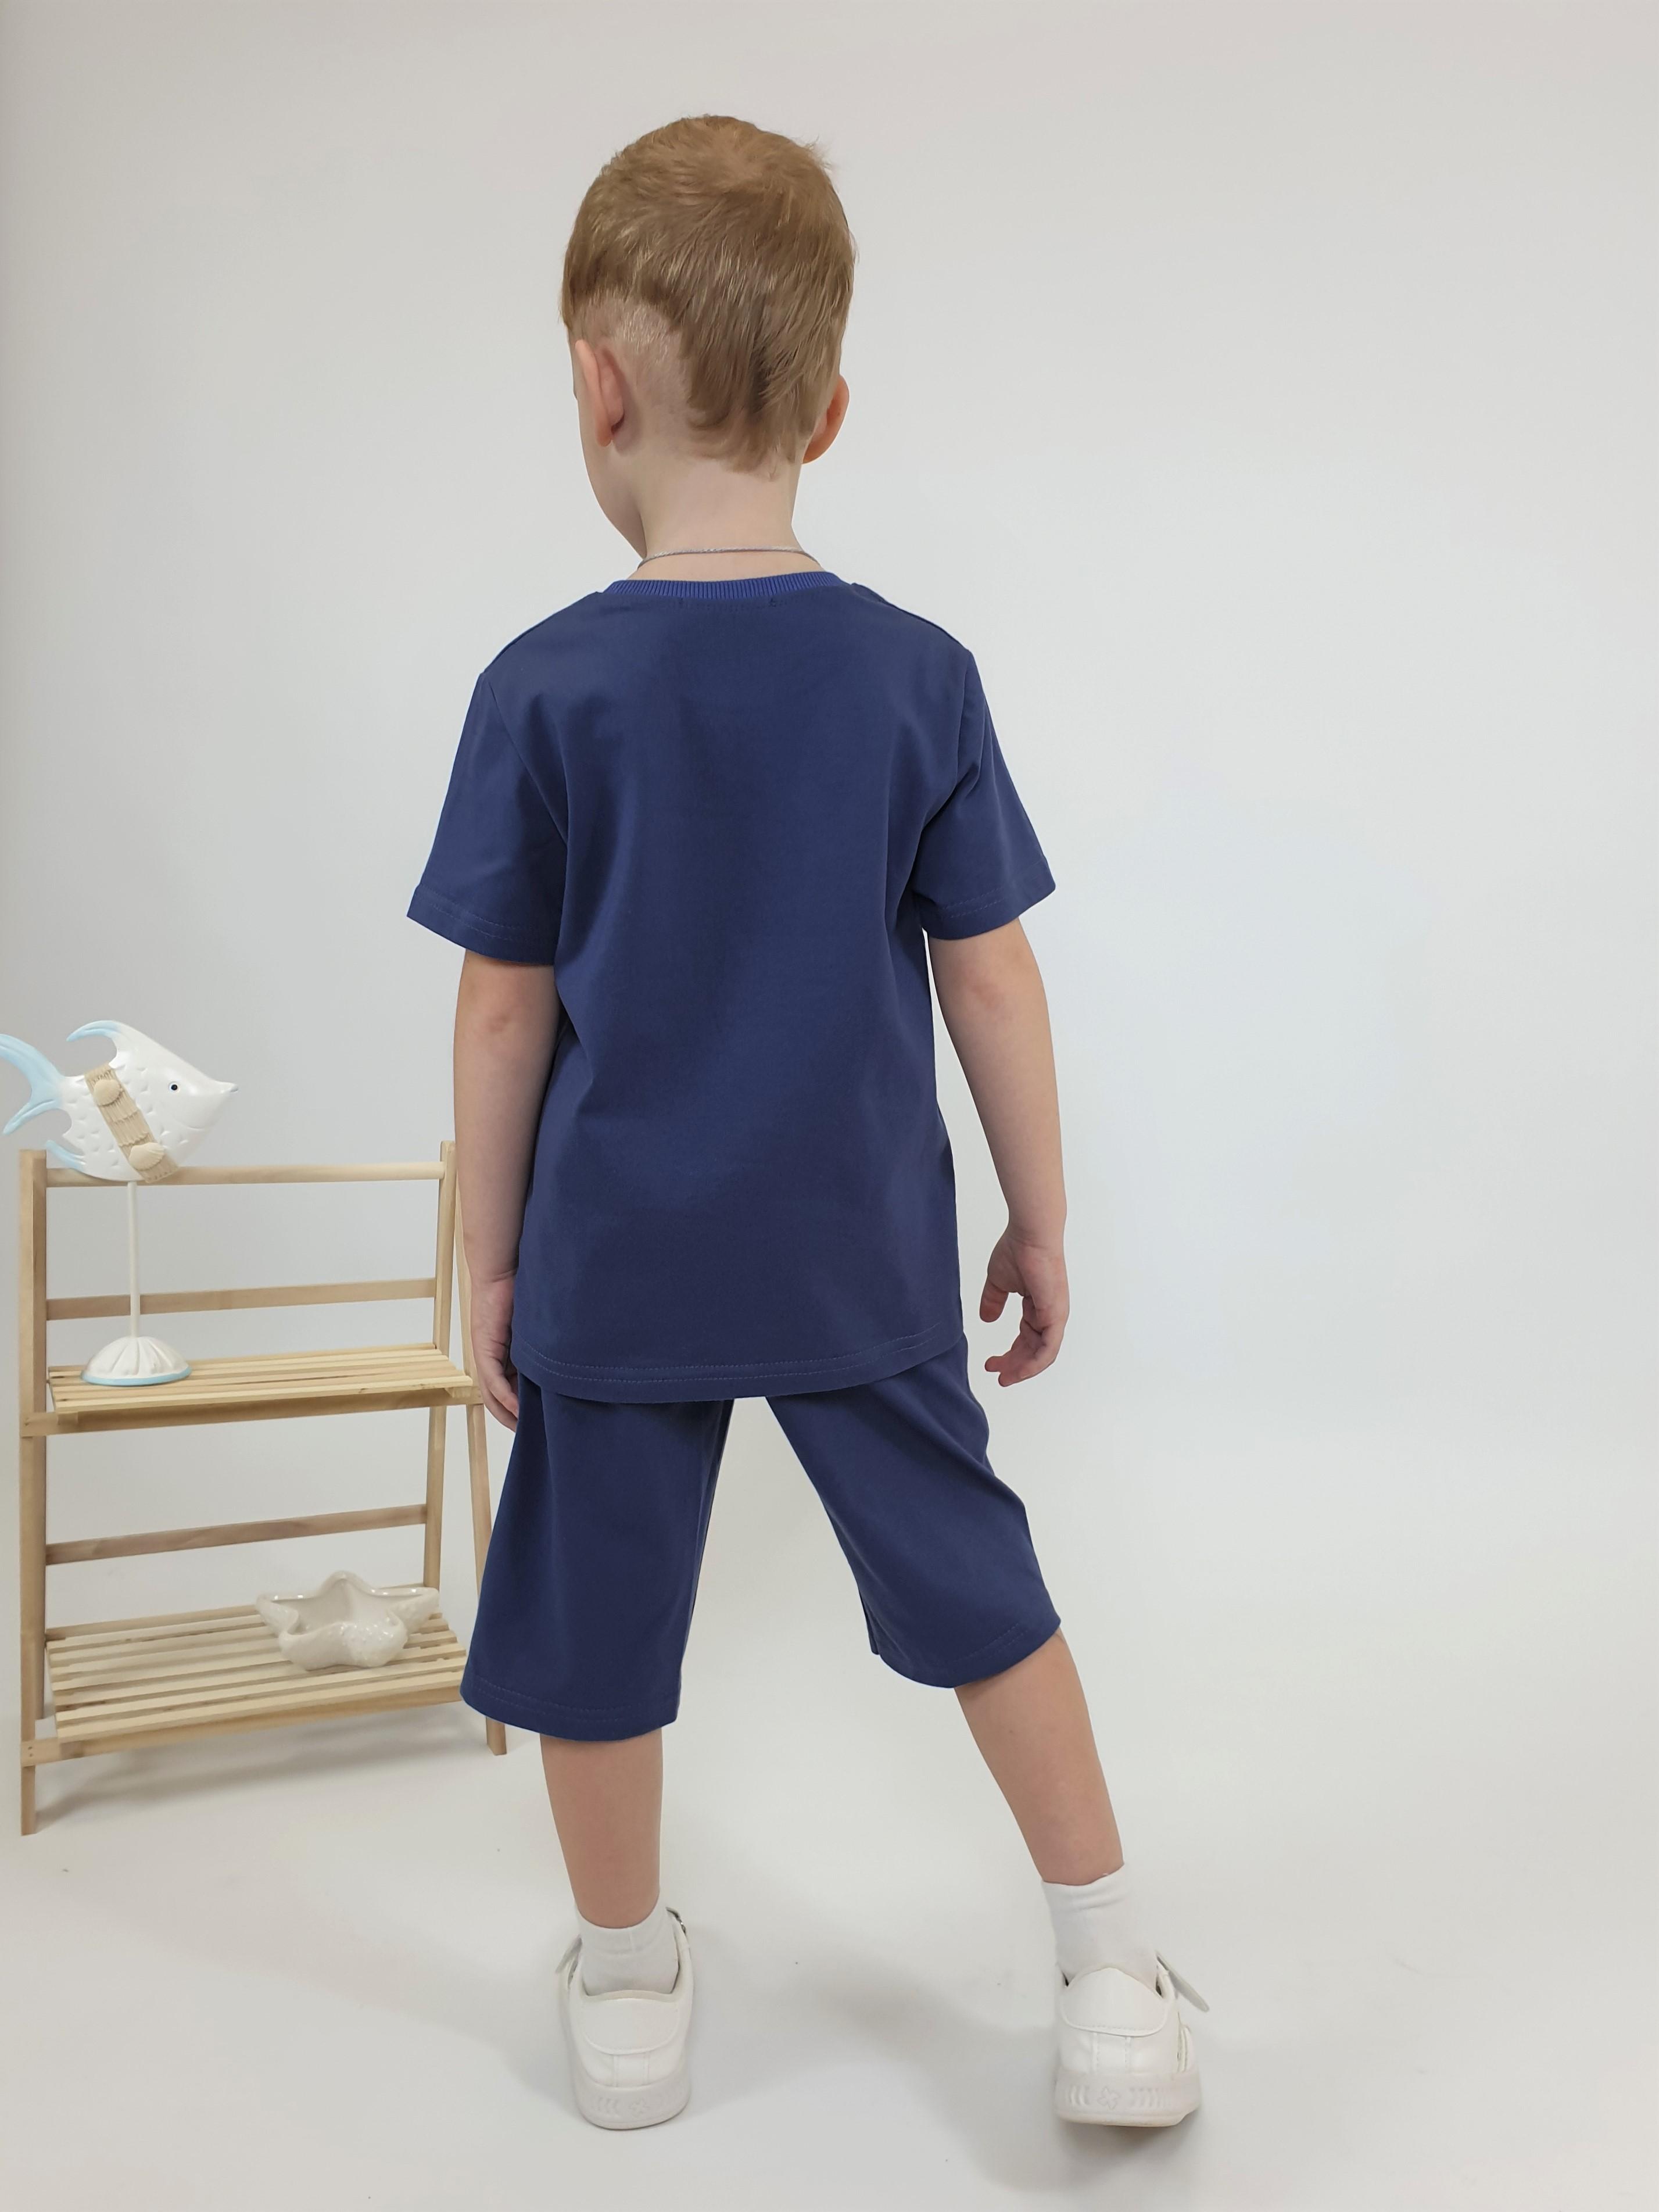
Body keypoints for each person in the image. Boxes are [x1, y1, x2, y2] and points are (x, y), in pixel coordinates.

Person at [407, 112, 1208, 2134]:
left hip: (616, 1258)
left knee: (595, 1625)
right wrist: (1038, 1217)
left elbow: (503, 1008)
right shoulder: (917, 676)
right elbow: (992, 978)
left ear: (596, 388)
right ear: (829, 413)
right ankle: (1112, 1969)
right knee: (981, 1585)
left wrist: (489, 1260)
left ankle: (626, 1986)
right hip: (857, 1250)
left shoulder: (542, 689)